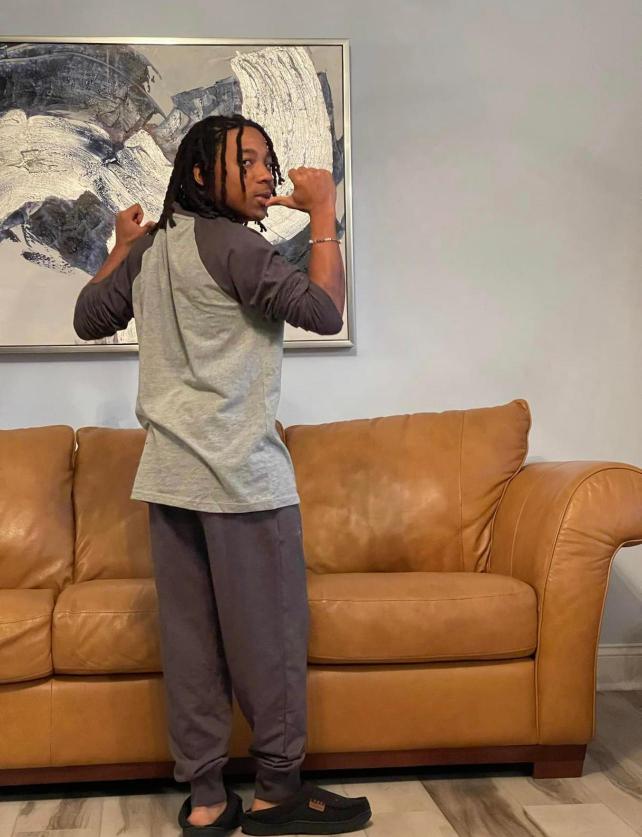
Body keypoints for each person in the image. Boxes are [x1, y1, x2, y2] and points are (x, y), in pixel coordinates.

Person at [73, 114, 371, 836]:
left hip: (169, 482)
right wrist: (324, 213)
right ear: (203, 174)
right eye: (250, 160)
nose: (268, 174)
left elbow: (88, 316)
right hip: (242, 482)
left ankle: (207, 799)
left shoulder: (152, 252)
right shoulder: (236, 245)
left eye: (269, 160)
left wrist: (120, 248)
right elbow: (325, 311)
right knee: (268, 639)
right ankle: (276, 793)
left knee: (193, 648)